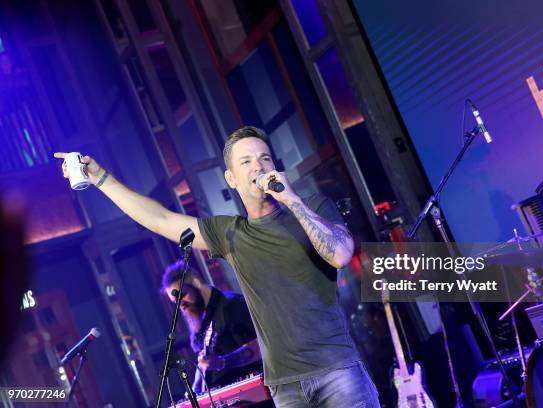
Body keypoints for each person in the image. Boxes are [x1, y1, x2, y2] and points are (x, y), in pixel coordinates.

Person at [55, 126, 380, 407]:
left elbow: (339, 254)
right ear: (231, 179)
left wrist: (292, 200)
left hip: (337, 370)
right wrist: (101, 179)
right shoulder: (230, 233)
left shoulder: (313, 207)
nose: (259, 167)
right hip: (285, 385)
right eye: (247, 161)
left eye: (265, 159)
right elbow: (160, 218)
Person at [160, 260, 261, 392]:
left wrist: (222, 362)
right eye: (175, 302)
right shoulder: (200, 321)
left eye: (182, 295)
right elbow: (205, 362)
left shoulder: (232, 305)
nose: (181, 305)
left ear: (196, 283)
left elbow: (263, 345)